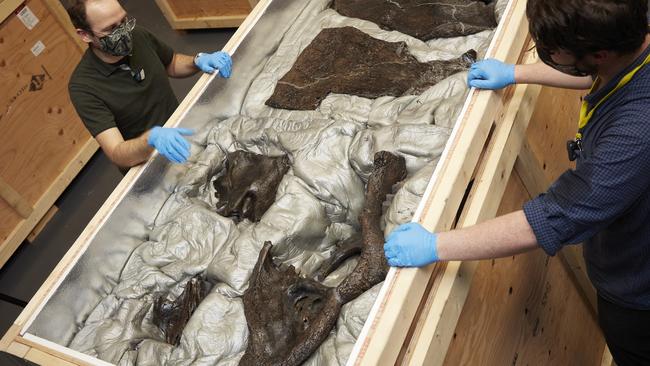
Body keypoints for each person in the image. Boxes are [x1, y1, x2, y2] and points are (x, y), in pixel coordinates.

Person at [384, 0, 650, 364]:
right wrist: (517, 72)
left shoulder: (635, 134)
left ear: (599, 52)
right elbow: (598, 74)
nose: (549, 57)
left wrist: (437, 245)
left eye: (556, 53)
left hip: (638, 293)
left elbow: (556, 215)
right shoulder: (634, 39)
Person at [63, 0, 233, 169]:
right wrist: (150, 139)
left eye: (124, 21)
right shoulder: (83, 87)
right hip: (149, 163)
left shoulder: (137, 35)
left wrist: (198, 60)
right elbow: (117, 153)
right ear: (85, 35)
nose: (124, 32)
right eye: (111, 29)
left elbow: (171, 62)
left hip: (182, 131)